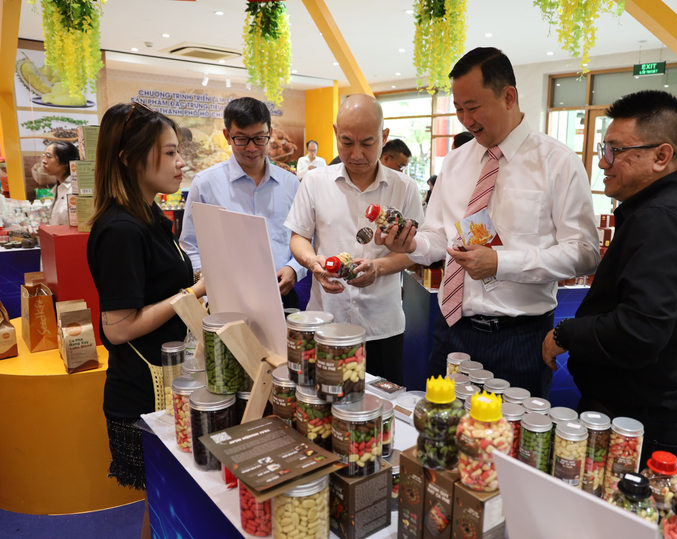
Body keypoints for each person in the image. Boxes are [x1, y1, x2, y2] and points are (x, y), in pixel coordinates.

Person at [379, 47, 599, 399]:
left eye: (474, 107)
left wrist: (502, 262)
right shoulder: (455, 162)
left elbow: (585, 253)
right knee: (442, 438)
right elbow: (438, 235)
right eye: (458, 108)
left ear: (508, 96)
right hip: (451, 329)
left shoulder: (558, 163)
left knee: (508, 448)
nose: (466, 120)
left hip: (520, 338)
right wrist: (412, 244)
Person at [542, 90, 677, 468]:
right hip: (645, 403)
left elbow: (640, 330)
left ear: (661, 156)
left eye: (616, 151)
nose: (604, 163)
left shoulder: (663, 220)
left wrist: (565, 334)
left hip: (639, 415)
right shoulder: (666, 208)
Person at [86, 102, 206, 539]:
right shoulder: (121, 230)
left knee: (165, 502)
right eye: (170, 153)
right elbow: (118, 327)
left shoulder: (151, 215)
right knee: (161, 501)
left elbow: (158, 286)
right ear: (130, 157)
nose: (181, 163)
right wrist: (195, 291)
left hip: (169, 378)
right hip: (143, 391)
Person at [285, 94, 424, 386]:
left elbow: (416, 251)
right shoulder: (315, 182)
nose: (356, 154)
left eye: (367, 143)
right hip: (326, 323)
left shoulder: (405, 188)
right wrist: (313, 263)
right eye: (347, 142)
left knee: (382, 412)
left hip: (382, 328)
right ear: (336, 133)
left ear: (384, 136)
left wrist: (379, 268)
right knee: (322, 406)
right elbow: (299, 237)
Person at [180, 97, 305, 309]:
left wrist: (294, 268)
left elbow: (305, 237)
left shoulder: (290, 184)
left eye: (259, 138)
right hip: (226, 299)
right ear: (227, 136)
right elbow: (191, 245)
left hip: (281, 294)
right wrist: (209, 286)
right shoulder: (206, 184)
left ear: (270, 134)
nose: (251, 148)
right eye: (242, 139)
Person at [40, 141, 80, 225]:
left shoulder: (75, 190)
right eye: (44, 156)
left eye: (49, 156)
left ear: (65, 162)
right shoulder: (58, 188)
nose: (44, 161)